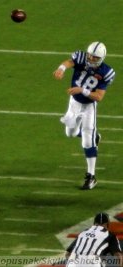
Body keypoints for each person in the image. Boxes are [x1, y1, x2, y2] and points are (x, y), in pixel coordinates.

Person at [53, 41, 115, 190]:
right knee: (70, 133)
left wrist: (82, 90)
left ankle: (91, 176)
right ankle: (95, 136)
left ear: (101, 58)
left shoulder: (106, 72)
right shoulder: (81, 57)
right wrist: (61, 69)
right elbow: (69, 61)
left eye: (94, 57)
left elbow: (99, 96)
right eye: (90, 56)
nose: (91, 59)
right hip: (74, 103)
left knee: (88, 142)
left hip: (88, 107)